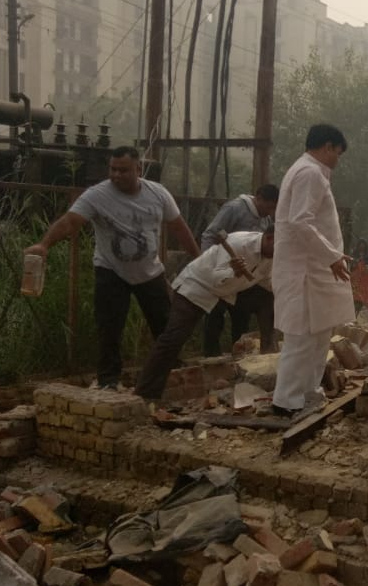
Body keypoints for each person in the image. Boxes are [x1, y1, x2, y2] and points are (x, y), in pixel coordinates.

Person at [23, 146, 200, 390]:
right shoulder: (96, 195)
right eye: (113, 169)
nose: (116, 175)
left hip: (150, 272)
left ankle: (171, 373)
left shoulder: (158, 193)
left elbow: (179, 226)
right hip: (111, 271)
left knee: (166, 325)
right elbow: (70, 222)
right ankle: (109, 381)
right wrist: (44, 244)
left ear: (138, 169)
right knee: (109, 328)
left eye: (123, 170)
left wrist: (198, 258)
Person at [272, 124, 354, 417]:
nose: (338, 160)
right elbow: (300, 222)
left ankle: (308, 393)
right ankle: (286, 401)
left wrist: (330, 258)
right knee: (301, 336)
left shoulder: (310, 172)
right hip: (304, 270)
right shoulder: (309, 173)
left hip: (314, 269)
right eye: (338, 153)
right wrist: (331, 256)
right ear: (328, 147)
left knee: (319, 333)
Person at [135, 229, 274, 400]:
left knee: (268, 300)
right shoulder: (238, 243)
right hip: (198, 286)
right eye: (280, 244)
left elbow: (268, 282)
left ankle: (268, 355)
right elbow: (217, 276)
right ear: (269, 238)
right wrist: (234, 271)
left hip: (227, 293)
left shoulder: (272, 256)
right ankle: (146, 393)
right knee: (173, 339)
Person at [200, 184, 279, 356]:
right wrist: (209, 267)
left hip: (244, 279)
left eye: (274, 208)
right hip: (222, 273)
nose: (270, 211)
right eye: (269, 206)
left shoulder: (266, 220)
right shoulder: (234, 209)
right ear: (258, 198)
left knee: (241, 319)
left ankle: (239, 356)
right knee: (215, 316)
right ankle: (211, 356)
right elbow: (210, 235)